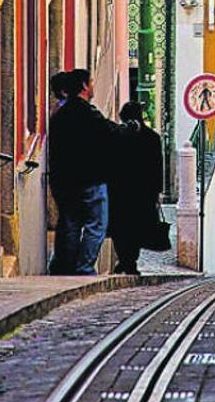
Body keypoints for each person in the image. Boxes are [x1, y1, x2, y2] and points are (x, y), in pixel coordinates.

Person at [48, 69, 143, 275]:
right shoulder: (88, 113)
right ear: (83, 86)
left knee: (71, 224)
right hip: (90, 179)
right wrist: (132, 128)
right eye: (90, 82)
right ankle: (84, 268)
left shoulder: (59, 115)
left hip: (65, 180)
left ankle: (66, 268)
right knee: (96, 225)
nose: (92, 86)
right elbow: (112, 132)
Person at [107, 101, 163, 276]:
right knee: (137, 227)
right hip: (143, 191)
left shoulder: (116, 136)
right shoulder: (153, 138)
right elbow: (157, 166)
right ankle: (129, 260)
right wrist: (157, 191)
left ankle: (125, 260)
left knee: (120, 227)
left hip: (119, 189)